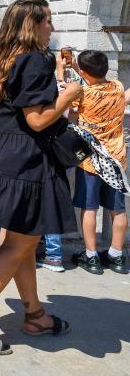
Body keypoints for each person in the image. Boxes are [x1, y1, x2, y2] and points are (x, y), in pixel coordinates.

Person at [0, 0, 80, 355]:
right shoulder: (37, 60)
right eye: (48, 22)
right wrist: (68, 93)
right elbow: (38, 119)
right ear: (33, 25)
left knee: (23, 241)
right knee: (19, 245)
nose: (51, 29)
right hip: (26, 163)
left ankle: (35, 314)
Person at [68, 50, 128, 275]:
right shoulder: (118, 87)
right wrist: (79, 69)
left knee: (90, 207)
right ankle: (116, 255)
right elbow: (96, 85)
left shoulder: (83, 93)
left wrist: (64, 70)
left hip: (91, 161)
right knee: (118, 209)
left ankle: (91, 256)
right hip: (116, 158)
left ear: (84, 72)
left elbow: (71, 97)